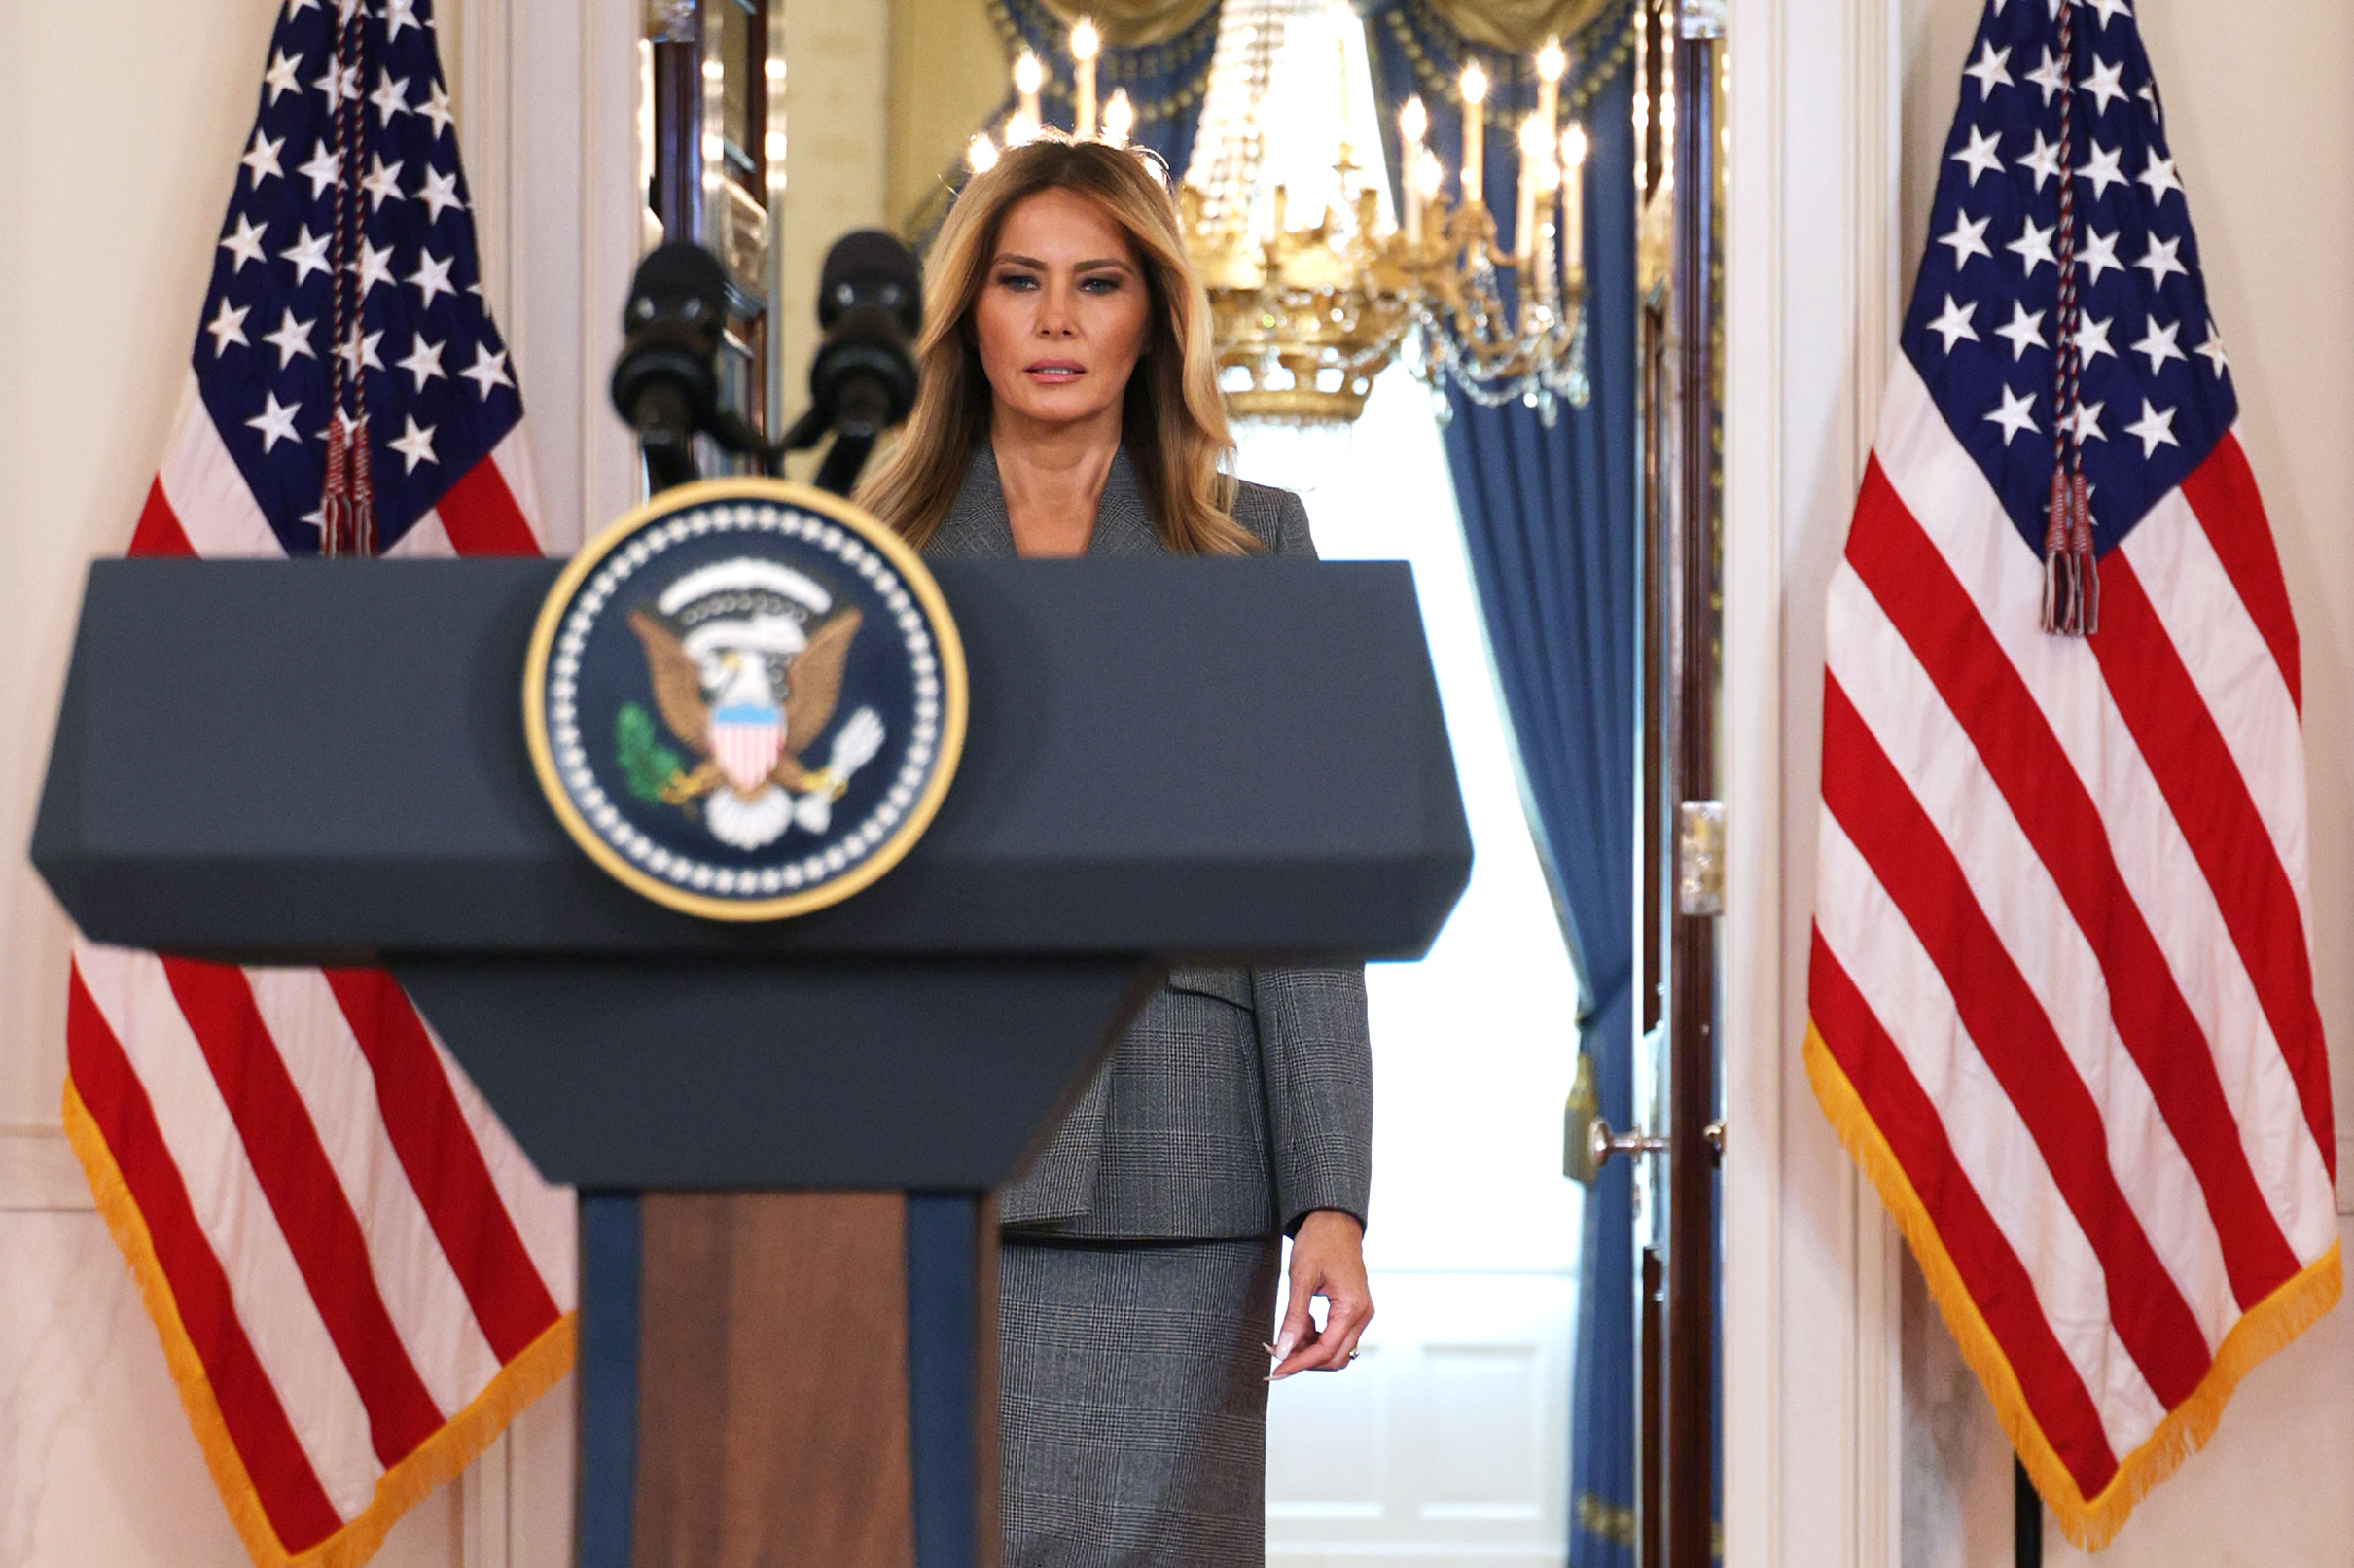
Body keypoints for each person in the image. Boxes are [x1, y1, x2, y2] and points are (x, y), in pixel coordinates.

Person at [858, 136, 1375, 1567]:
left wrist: (1329, 1198)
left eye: (1098, 284)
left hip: (1183, 1175)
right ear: (973, 309)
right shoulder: (870, 550)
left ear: (1154, 314)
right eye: (1022, 283)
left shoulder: (1256, 550)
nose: (1059, 322)